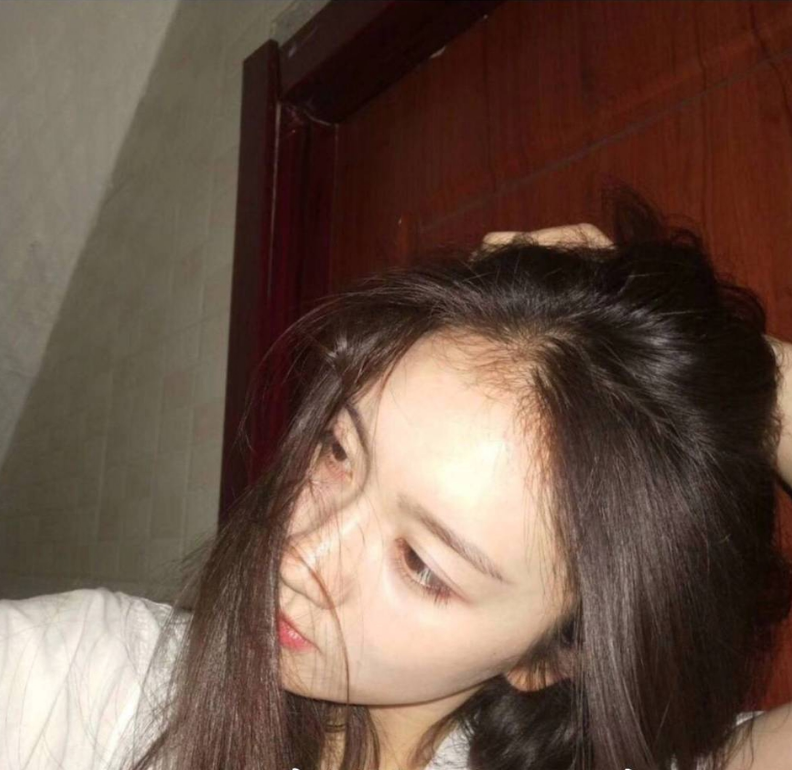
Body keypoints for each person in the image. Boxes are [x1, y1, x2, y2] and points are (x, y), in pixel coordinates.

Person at [2, 184, 791, 770]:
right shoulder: (93, 688)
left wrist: (733, 382)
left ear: (553, 656)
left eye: (420, 564)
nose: (297, 553)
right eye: (338, 451)